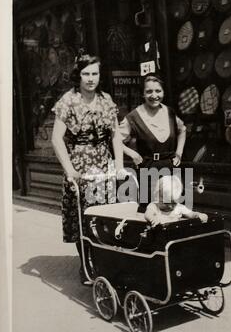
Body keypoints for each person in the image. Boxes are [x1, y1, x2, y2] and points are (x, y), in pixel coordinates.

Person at [51, 52, 125, 284]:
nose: (91, 78)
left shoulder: (106, 100)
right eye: (86, 73)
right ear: (78, 75)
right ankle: (86, 264)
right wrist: (70, 170)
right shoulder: (68, 101)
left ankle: (105, 262)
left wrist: (120, 166)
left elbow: (115, 137)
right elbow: (56, 138)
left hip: (104, 165)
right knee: (84, 218)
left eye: (95, 73)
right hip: (80, 166)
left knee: (107, 216)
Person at [119, 73, 187, 208]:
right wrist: (132, 154)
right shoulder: (134, 117)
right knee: (150, 212)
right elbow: (115, 140)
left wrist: (179, 153)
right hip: (148, 170)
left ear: (163, 92)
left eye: (158, 91)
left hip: (171, 168)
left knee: (177, 211)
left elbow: (182, 130)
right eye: (149, 91)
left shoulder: (170, 113)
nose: (154, 95)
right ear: (143, 94)